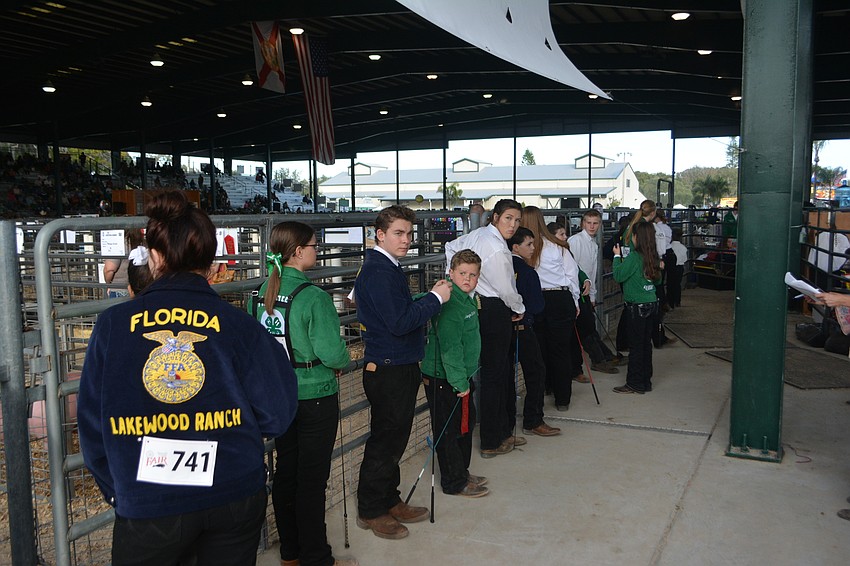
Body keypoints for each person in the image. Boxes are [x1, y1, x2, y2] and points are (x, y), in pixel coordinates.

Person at [77, 190, 298, 566]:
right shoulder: (238, 325)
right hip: (233, 491)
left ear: (156, 256)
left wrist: (122, 491)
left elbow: (92, 424)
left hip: (150, 500)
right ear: (211, 262)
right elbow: (277, 412)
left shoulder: (112, 326)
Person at [247, 221, 356, 566]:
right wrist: (343, 360)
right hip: (315, 394)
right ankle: (316, 557)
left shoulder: (260, 292)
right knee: (311, 479)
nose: (317, 250)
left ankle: (290, 552)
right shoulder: (313, 297)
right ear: (297, 252)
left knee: (286, 472)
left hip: (279, 395)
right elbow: (332, 352)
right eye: (314, 245)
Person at [355, 205, 451, 540]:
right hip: (389, 366)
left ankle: (389, 498)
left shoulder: (386, 267)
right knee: (385, 440)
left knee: (394, 437)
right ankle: (370, 509)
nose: (406, 240)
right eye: (398, 233)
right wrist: (435, 300)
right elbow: (399, 322)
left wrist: (423, 300)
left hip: (398, 364)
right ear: (379, 234)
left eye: (409, 233)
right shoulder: (379, 271)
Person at [446, 199, 526, 458]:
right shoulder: (499, 250)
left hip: (476, 307)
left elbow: (451, 249)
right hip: (494, 310)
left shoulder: (477, 234)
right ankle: (492, 440)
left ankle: (501, 431)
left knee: (494, 373)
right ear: (495, 218)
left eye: (516, 220)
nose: (513, 225)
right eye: (508, 219)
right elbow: (506, 289)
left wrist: (464, 287)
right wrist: (519, 308)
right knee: (495, 374)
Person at [421, 249, 490, 498]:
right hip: (446, 377)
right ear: (450, 273)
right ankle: (453, 482)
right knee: (448, 430)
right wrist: (460, 382)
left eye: (473, 274)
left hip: (461, 374)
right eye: (462, 273)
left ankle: (462, 471)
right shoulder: (450, 303)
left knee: (466, 424)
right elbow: (449, 347)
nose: (467, 278)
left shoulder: (467, 297)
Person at [520, 206, 582, 411]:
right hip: (560, 296)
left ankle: (545, 387)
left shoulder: (522, 247)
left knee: (539, 350)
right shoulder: (557, 245)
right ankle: (562, 397)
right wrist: (575, 301)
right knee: (561, 349)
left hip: (535, 300)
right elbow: (571, 275)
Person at [507, 227, 560, 437]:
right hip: (524, 327)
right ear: (516, 247)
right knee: (536, 371)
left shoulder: (499, 267)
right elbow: (537, 305)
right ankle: (533, 419)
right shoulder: (528, 272)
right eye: (529, 244)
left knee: (504, 376)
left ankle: (507, 423)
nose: (533, 247)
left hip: (502, 327)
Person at [568, 209, 621, 373]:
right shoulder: (575, 241)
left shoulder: (593, 244)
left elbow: (593, 272)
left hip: (585, 291)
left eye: (595, 223)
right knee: (586, 328)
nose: (592, 226)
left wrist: (592, 295)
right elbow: (571, 267)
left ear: (599, 225)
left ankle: (605, 356)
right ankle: (599, 359)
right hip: (576, 292)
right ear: (583, 223)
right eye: (588, 223)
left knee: (588, 326)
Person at [612, 222, 662, 394]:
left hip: (636, 307)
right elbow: (658, 281)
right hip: (651, 303)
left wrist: (617, 257)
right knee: (646, 345)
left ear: (636, 237)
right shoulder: (652, 256)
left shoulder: (634, 257)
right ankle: (646, 381)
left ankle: (634, 383)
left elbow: (619, 275)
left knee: (636, 346)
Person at [103, 227, 145, 298]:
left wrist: (108, 284)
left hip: (119, 288)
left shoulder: (119, 245)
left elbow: (109, 269)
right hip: (140, 288)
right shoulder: (144, 245)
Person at [667, 228, 688, 309]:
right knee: (677, 284)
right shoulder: (683, 248)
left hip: (671, 267)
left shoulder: (670, 247)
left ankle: (670, 301)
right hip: (680, 267)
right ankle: (677, 301)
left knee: (670, 284)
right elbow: (685, 259)